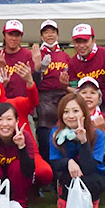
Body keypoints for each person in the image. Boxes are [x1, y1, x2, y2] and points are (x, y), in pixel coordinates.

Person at [0, 66, 52, 188]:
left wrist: (29, 82)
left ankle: (30, 188)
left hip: (27, 152)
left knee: (44, 173)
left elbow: (34, 102)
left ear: (1, 87)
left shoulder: (17, 103)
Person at [48, 93, 105, 208]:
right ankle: (63, 205)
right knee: (64, 173)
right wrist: (68, 162)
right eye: (66, 112)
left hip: (93, 176)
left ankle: (93, 206)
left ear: (83, 113)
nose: (70, 116)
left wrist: (83, 142)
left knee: (90, 178)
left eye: (75, 111)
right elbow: (54, 162)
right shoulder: (56, 133)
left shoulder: (97, 134)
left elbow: (90, 167)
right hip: (69, 175)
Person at [61, 23, 105, 132]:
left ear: (93, 40)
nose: (81, 45)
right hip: (94, 105)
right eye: (77, 42)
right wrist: (65, 87)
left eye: (85, 41)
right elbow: (77, 92)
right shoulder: (73, 63)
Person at [35, 20, 70, 165]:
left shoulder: (64, 55)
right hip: (44, 98)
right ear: (42, 36)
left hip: (62, 97)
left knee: (63, 134)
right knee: (45, 135)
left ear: (58, 34)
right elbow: (32, 79)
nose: (50, 35)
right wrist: (40, 68)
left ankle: (61, 169)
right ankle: (46, 170)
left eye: (53, 32)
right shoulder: (37, 53)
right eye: (46, 32)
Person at [0, 19, 42, 99]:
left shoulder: (28, 55)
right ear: (4, 35)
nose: (13, 38)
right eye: (10, 34)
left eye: (17, 35)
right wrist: (1, 66)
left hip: (24, 102)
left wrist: (37, 66)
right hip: (4, 103)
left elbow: (36, 84)